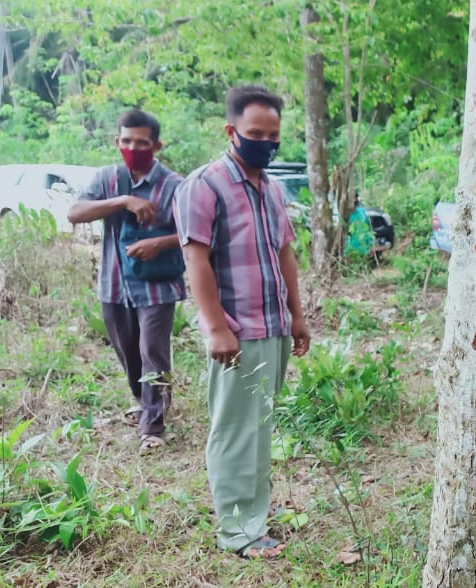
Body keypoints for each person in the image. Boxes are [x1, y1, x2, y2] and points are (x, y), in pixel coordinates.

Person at [174, 85, 311, 560]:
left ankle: (254, 520)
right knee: (235, 430)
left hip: (273, 326)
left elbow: (285, 253)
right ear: (231, 131)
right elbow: (197, 260)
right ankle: (239, 533)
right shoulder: (204, 185)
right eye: (256, 133)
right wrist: (215, 327)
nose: (266, 143)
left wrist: (297, 315)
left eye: (273, 135)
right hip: (236, 330)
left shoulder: (272, 188)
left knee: (259, 428)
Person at [68, 109, 184, 452]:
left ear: (157, 145)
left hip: (158, 285)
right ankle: (142, 398)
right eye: (127, 141)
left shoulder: (175, 185)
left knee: (153, 352)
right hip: (114, 283)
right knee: (127, 350)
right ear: (116, 142)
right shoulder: (108, 179)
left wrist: (159, 243)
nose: (134, 147)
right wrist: (123, 200)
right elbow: (74, 213)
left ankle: (153, 427)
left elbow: (199, 231)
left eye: (142, 142)